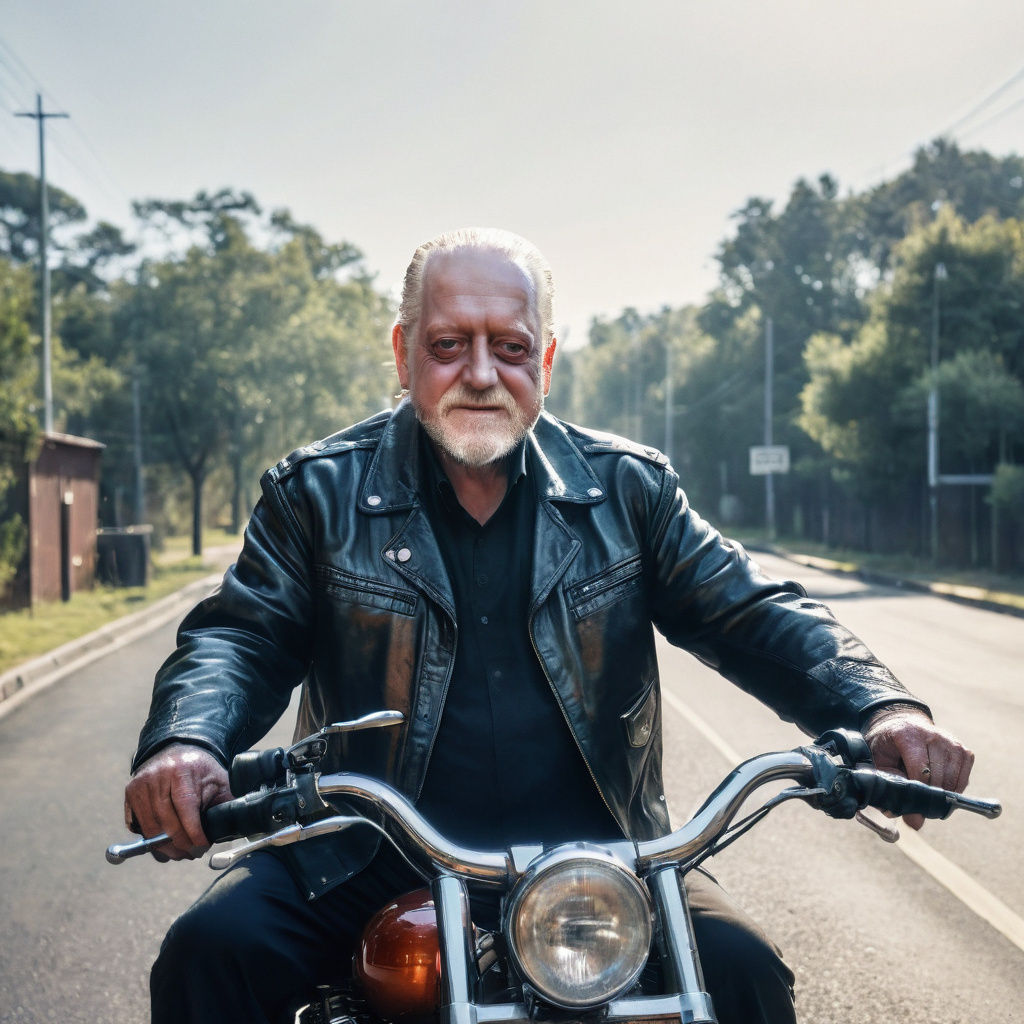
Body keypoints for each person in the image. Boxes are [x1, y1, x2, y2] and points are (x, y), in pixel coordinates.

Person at [125, 228, 974, 1024]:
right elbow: (240, 636)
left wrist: (879, 709)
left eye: (512, 346)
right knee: (211, 953)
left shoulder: (629, 492)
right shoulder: (316, 494)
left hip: (609, 859)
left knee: (743, 972)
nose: (482, 373)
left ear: (548, 359)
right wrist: (187, 741)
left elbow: (747, 608)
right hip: (364, 855)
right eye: (449, 344)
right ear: (404, 353)